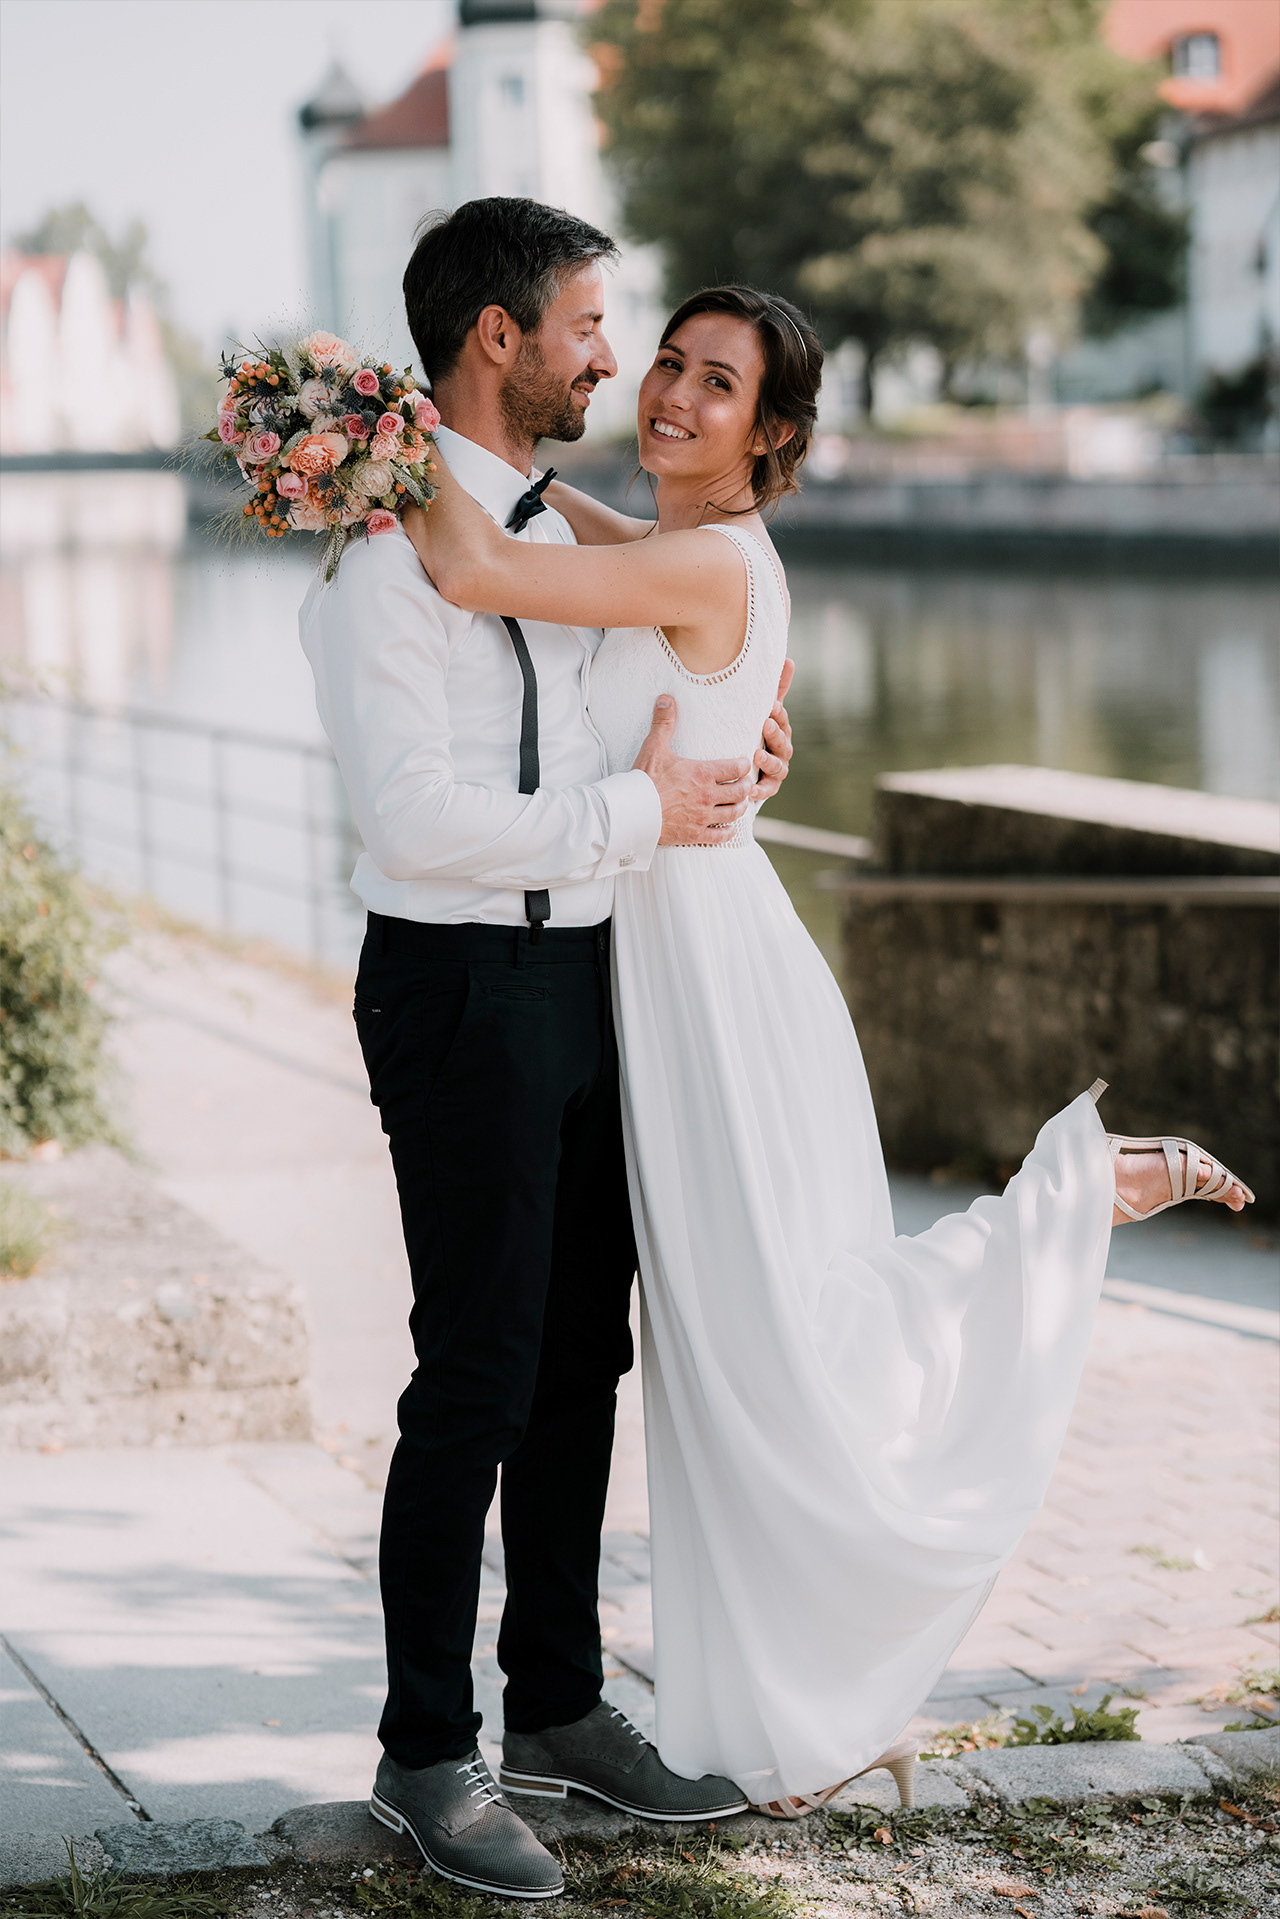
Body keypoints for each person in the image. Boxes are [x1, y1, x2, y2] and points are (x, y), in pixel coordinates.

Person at [402, 282, 1255, 1824]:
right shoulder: (684, 552)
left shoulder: (713, 563)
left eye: (712, 384)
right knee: (755, 1343)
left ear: (771, 433)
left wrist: (345, 432)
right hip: (662, 972)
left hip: (715, 994)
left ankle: (1066, 1197)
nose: (666, 392)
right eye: (663, 362)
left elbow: (471, 560)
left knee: (782, 1345)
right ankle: (672, 1701)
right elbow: (563, 535)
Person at [299, 200, 799, 1901]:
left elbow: (638, 681)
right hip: (456, 988)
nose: (617, 360)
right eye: (595, 327)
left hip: (591, 982)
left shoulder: (537, 527)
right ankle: (424, 1751)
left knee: (584, 1361)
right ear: (500, 338)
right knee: (478, 1376)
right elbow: (415, 817)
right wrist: (638, 806)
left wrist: (735, 746)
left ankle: (563, 1705)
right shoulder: (386, 551)